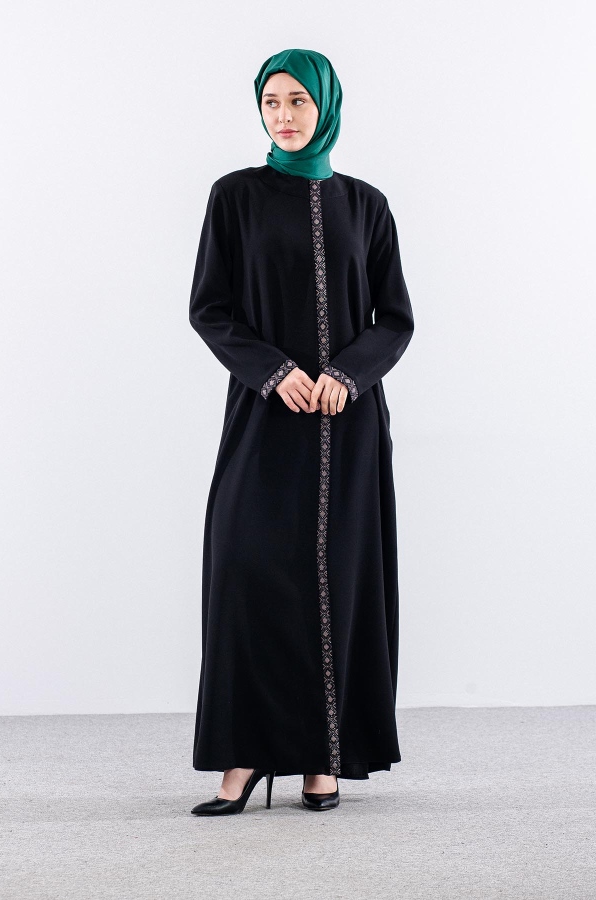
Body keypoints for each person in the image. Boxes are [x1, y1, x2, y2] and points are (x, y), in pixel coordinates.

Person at [188, 48, 414, 816]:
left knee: (339, 579)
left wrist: (347, 374)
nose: (283, 116)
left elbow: (395, 318)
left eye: (298, 101)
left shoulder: (366, 206)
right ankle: (244, 756)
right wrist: (273, 370)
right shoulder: (234, 198)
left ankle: (325, 756)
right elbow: (210, 308)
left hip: (347, 426)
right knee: (246, 572)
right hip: (264, 415)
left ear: (326, 106)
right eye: (271, 102)